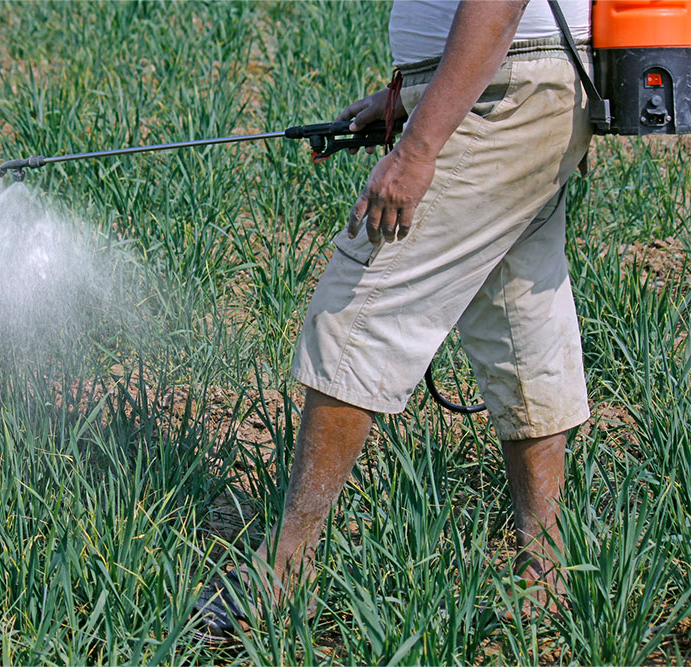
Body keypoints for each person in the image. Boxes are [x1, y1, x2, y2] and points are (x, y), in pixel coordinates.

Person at [195, 0, 593, 643]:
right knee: (519, 315)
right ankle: (547, 580)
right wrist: (417, 94)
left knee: (357, 309)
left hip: (504, 93)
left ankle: (280, 579)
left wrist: (418, 149)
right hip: (521, 85)